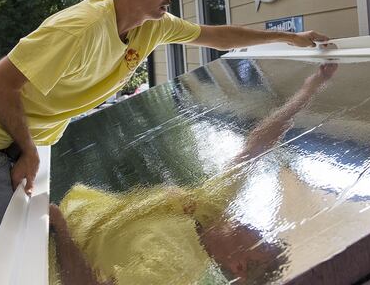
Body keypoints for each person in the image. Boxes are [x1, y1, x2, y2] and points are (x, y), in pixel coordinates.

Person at [0, 0, 330, 268]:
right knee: (12, 268)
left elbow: (217, 36)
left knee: (29, 261)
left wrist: (288, 39)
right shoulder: (81, 28)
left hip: (10, 141)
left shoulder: (152, 27)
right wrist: (29, 150)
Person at [48, 64, 338, 285]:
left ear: (238, 266)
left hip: (37, 252)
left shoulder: (173, 270)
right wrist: (310, 90)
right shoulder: (210, 209)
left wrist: (60, 229)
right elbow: (256, 146)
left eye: (258, 240)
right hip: (57, 214)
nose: (254, 228)